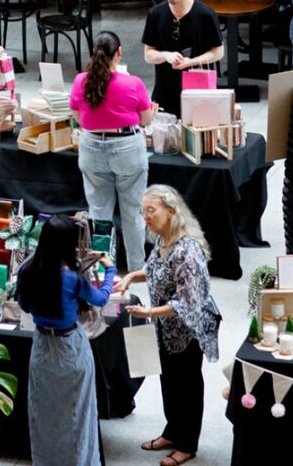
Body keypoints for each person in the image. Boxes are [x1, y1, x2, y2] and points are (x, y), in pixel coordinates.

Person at [115, 184, 220, 466]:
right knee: (169, 382)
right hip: (165, 328)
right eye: (143, 211)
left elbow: (187, 303)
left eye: (151, 210)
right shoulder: (162, 240)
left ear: (171, 212)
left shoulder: (187, 251)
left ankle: (187, 445)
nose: (145, 216)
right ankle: (172, 432)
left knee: (187, 386)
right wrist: (129, 278)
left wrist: (148, 311)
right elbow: (152, 270)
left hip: (188, 331)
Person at [17, 214, 116, 466]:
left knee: (42, 415)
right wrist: (110, 269)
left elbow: (24, 305)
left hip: (41, 347)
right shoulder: (72, 278)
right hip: (69, 347)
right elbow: (101, 299)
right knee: (77, 416)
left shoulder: (27, 271)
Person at [70, 31, 157, 273]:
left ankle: (102, 268)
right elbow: (145, 119)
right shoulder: (132, 83)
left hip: (91, 147)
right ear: (119, 52)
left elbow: (78, 117)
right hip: (127, 147)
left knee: (99, 214)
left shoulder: (80, 81)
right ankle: (137, 269)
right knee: (133, 213)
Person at [141, 0, 223, 118]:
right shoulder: (155, 14)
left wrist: (192, 61)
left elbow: (218, 52)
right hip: (164, 91)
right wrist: (166, 55)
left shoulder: (205, 14)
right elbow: (148, 54)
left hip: (198, 90)